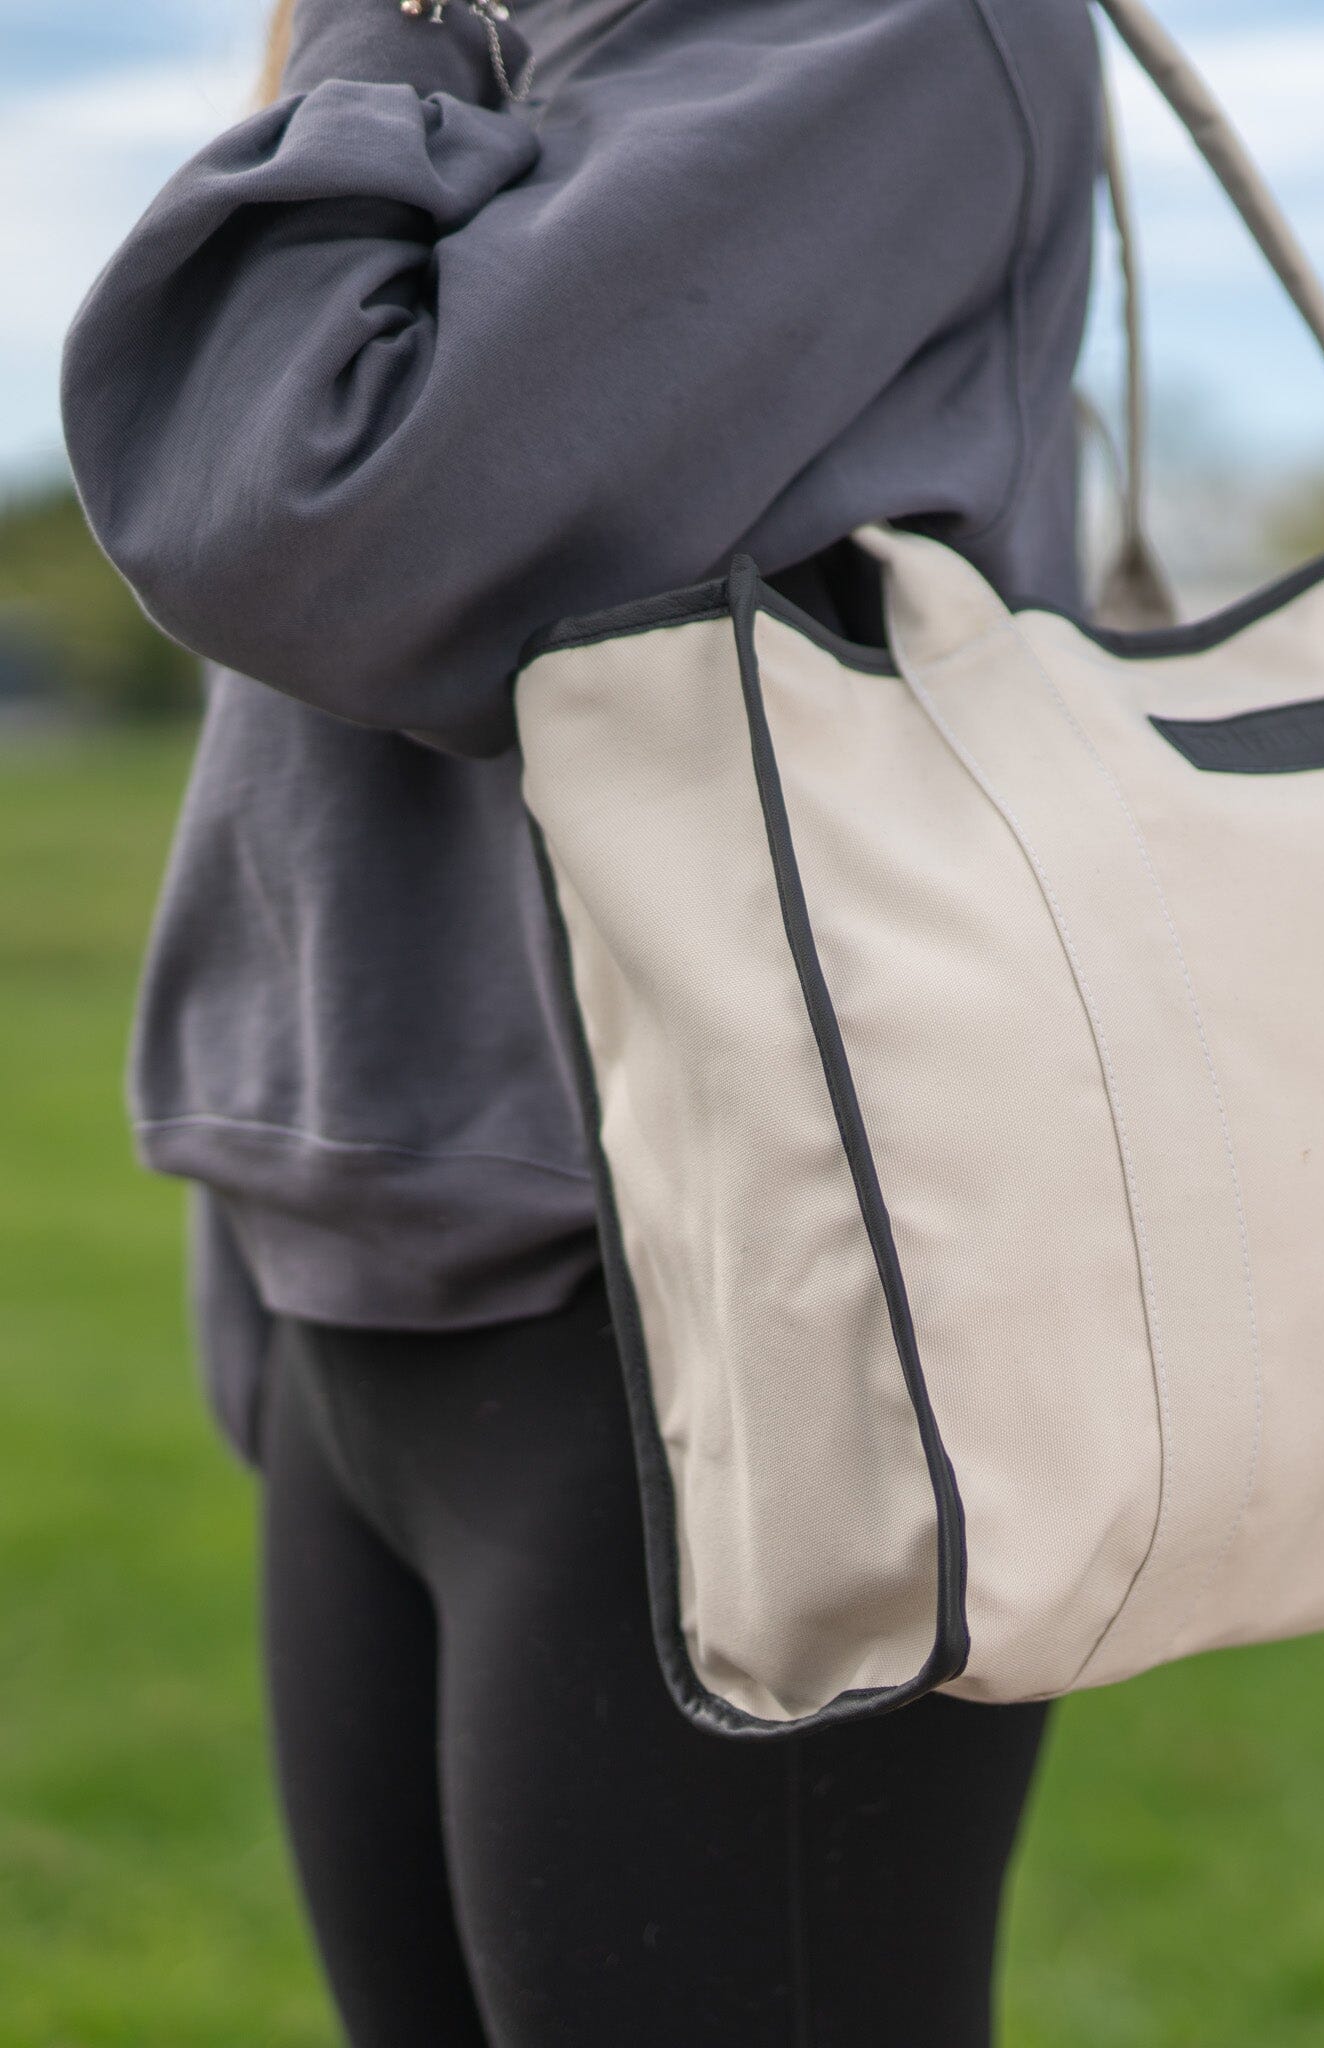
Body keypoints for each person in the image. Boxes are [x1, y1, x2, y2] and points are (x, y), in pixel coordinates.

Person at [60, 0, 1102, 2039]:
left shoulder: (874, 27)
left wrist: (366, 44)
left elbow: (313, 512)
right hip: (393, 1295)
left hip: (748, 1324)